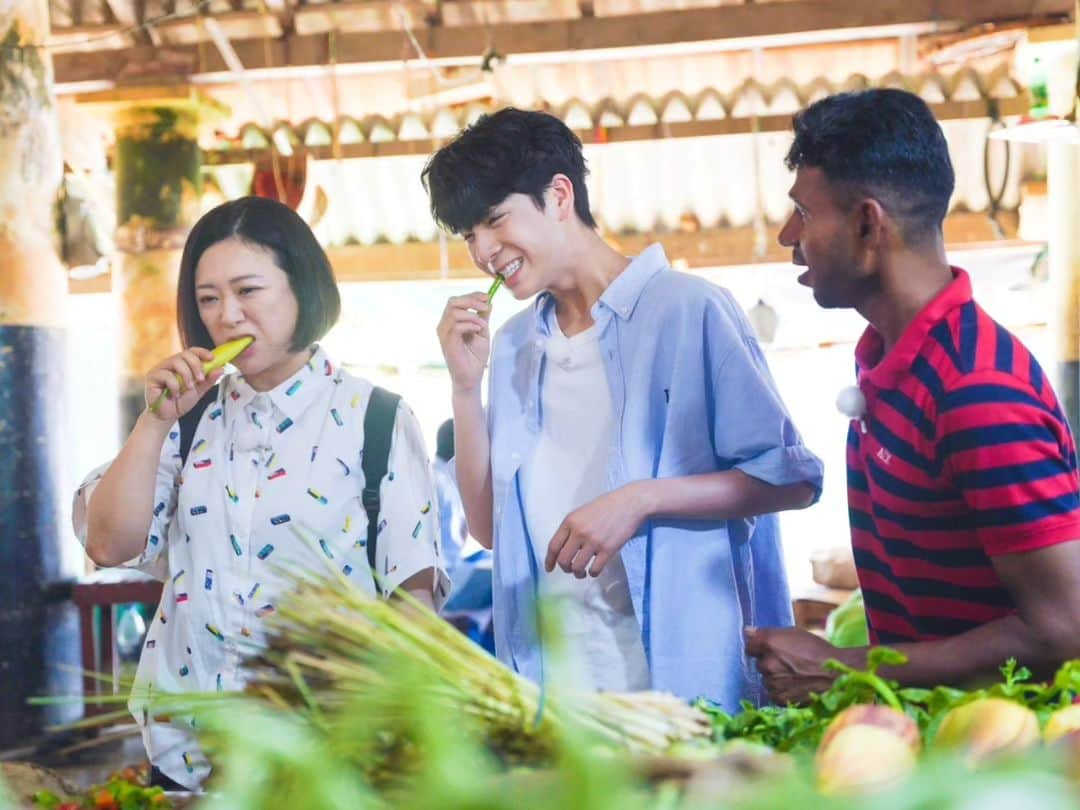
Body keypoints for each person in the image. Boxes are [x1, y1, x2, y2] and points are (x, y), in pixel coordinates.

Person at [424, 107, 824, 706]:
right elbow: (487, 529)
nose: (483, 251)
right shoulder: (509, 347)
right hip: (557, 697)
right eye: (468, 236)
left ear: (559, 195)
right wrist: (463, 388)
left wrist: (640, 499)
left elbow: (790, 479)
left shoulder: (690, 310)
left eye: (492, 220)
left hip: (683, 689)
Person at [72, 196, 448, 789]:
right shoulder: (184, 423)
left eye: (249, 291)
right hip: (187, 758)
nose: (228, 316)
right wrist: (153, 423)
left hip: (329, 762)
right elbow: (109, 543)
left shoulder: (374, 419)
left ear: (301, 287)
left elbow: (413, 602)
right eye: (208, 298)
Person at [747, 88, 1080, 704]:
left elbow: (1065, 629)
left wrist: (847, 667)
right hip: (935, 734)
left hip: (1013, 753)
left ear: (868, 224)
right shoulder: (887, 356)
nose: (786, 234)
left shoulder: (976, 389)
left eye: (804, 212)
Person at [434, 418, 495, 652]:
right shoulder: (445, 486)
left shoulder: (434, 475)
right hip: (447, 583)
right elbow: (452, 549)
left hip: (448, 572)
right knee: (509, 579)